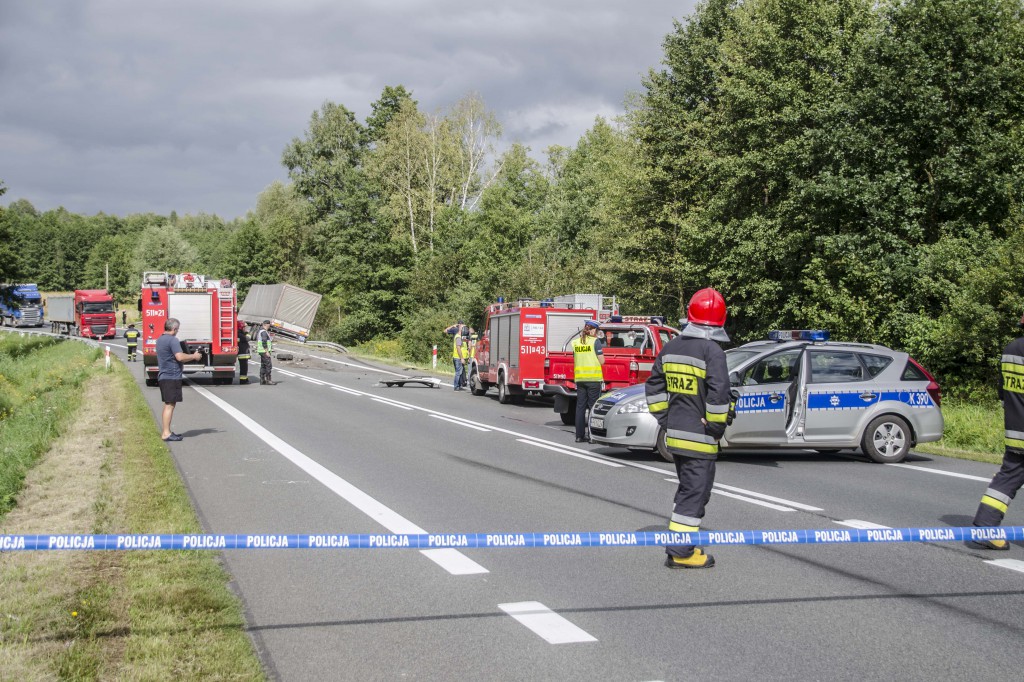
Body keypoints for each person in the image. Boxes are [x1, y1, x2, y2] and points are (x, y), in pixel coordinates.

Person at [646, 288, 731, 569]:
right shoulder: (713, 351)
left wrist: (666, 420)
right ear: (720, 320)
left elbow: (654, 388)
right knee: (695, 492)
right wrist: (717, 428)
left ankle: (679, 545)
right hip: (701, 439)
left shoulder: (671, 347)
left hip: (675, 436)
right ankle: (682, 553)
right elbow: (719, 396)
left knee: (687, 490)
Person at [969, 312, 1024, 550]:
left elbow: (1003, 392)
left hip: (1016, 431)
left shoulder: (1011, 349)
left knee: (1007, 478)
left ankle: (985, 528)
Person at [156, 318, 201, 442]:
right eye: (177, 329)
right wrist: (194, 356)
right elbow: (180, 357)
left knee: (168, 404)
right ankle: (166, 433)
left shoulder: (160, 339)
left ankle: (167, 431)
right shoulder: (173, 340)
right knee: (170, 405)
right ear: (174, 329)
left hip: (164, 375)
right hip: (171, 376)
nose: (177, 331)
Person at [573, 319, 605, 442]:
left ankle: (579, 436)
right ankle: (592, 435)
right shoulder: (595, 342)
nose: (597, 333)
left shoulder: (576, 342)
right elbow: (602, 361)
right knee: (593, 407)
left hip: (580, 379)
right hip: (593, 379)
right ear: (592, 330)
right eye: (596, 330)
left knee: (580, 407)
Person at [254, 320, 276, 385]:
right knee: (268, 365)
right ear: (266, 325)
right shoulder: (264, 332)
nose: (269, 326)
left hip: (261, 351)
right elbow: (264, 342)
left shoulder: (261, 331)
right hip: (264, 351)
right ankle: (268, 380)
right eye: (269, 325)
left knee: (263, 365)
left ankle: (262, 380)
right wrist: (267, 352)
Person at [452, 326, 468, 391]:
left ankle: (458, 385)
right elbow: (458, 348)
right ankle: (456, 386)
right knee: (458, 372)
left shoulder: (460, 337)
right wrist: (462, 358)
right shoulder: (458, 337)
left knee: (459, 372)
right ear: (461, 330)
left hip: (458, 357)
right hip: (458, 358)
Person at [236, 318, 251, 385]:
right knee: (244, 368)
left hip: (242, 353)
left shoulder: (238, 333)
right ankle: (243, 380)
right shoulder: (240, 334)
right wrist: (247, 333)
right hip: (243, 354)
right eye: (244, 327)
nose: (245, 328)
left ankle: (245, 379)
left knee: (244, 368)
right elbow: (248, 338)